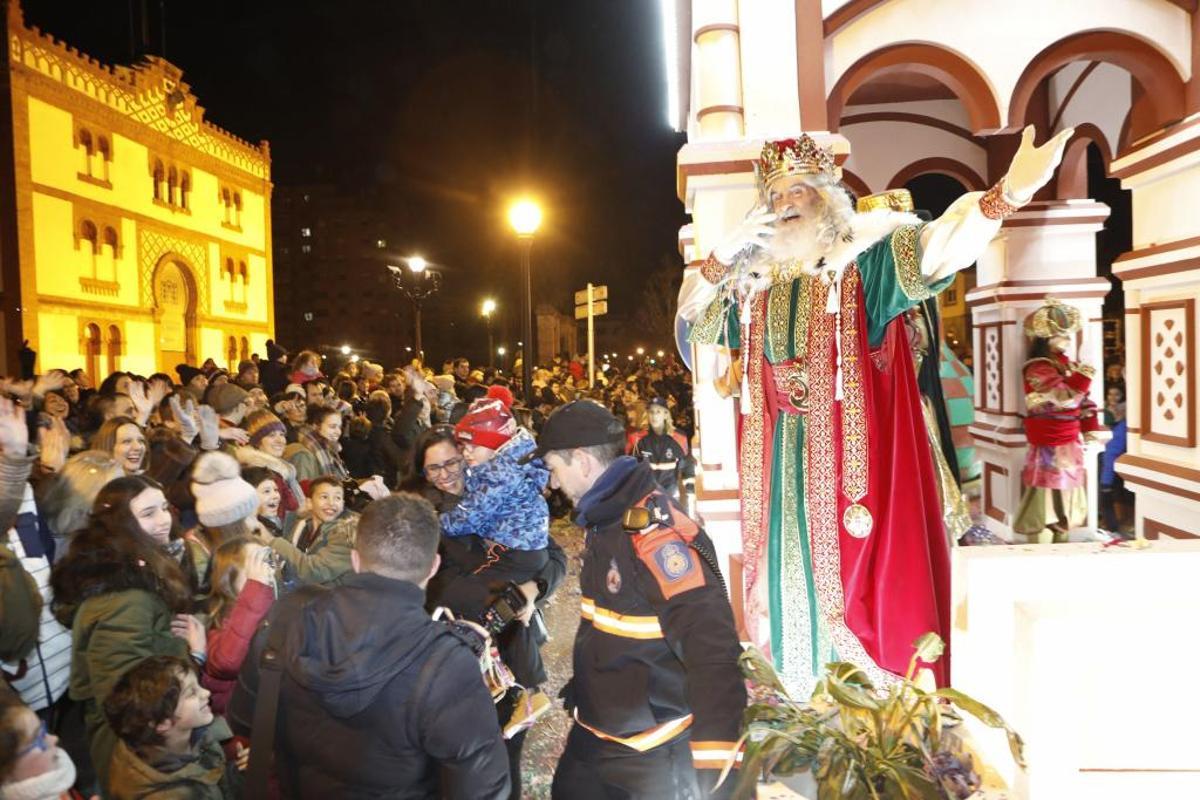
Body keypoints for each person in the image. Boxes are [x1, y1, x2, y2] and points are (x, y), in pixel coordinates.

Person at [676, 128, 1074, 694]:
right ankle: (798, 692)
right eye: (776, 195)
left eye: (799, 190)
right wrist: (725, 252)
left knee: (857, 580)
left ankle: (864, 701)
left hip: (847, 462)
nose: (787, 204)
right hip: (779, 465)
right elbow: (694, 320)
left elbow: (939, 249)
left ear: (826, 195)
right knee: (787, 579)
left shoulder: (861, 265)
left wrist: (1007, 194)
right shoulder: (752, 284)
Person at [228, 493, 511, 799]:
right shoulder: (447, 664)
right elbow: (484, 790)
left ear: (354, 558)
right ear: (434, 567)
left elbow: (243, 716)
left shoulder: (287, 615)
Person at [529, 401, 744, 799]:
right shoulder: (605, 517)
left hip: (650, 752)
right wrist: (591, 680)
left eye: (554, 469)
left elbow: (712, 652)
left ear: (581, 461)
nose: (553, 484)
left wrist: (721, 773)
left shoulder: (656, 537)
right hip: (596, 731)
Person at [49, 476, 205, 788]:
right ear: (119, 524)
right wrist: (195, 654)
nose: (165, 520)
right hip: (133, 759)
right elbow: (126, 703)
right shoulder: (124, 599)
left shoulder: (138, 571)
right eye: (148, 514)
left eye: (164, 508)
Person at [1014, 298, 1102, 543]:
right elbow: (1065, 398)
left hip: (1070, 441)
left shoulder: (1068, 365)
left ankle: (1061, 540)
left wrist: (1091, 428)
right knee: (1043, 497)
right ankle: (1038, 545)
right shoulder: (1037, 367)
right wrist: (1086, 372)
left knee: (1067, 499)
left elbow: (1084, 401)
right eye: (1062, 334)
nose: (1069, 339)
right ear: (1047, 337)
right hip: (1048, 440)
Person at [103, 655, 241, 799]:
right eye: (191, 692)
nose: (206, 693)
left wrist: (237, 772)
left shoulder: (142, 739)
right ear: (162, 723)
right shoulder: (171, 796)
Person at [202, 539, 276, 714]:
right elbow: (228, 662)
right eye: (256, 563)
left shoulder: (269, 607)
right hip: (238, 722)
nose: (266, 569)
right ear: (228, 581)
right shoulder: (220, 623)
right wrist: (257, 587)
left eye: (268, 560)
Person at [265, 476, 358, 586]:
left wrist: (271, 540)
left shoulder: (347, 534)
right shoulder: (297, 526)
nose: (331, 503)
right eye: (324, 497)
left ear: (342, 504)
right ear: (309, 503)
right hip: (295, 595)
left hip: (330, 599)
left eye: (337, 498)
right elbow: (280, 562)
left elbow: (314, 572)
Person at [0, 690, 81, 800]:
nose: (54, 739)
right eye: (38, 739)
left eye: (44, 730)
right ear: (6, 771)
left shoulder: (56, 781)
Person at [235, 409, 304, 527]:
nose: (280, 440)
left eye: (282, 434)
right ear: (257, 442)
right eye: (271, 435)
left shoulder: (280, 469)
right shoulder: (262, 474)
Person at [630, 397, 695, 506]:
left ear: (666, 414)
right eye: (651, 412)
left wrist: (690, 488)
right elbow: (632, 467)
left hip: (671, 495)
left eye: (658, 412)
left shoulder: (678, 437)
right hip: (646, 495)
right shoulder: (638, 439)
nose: (654, 416)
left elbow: (686, 464)